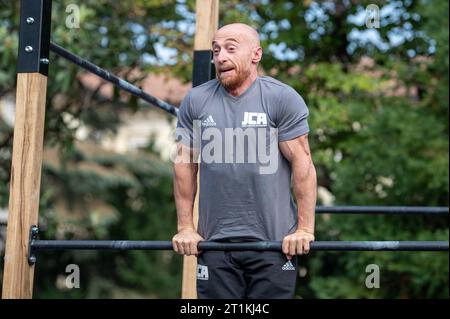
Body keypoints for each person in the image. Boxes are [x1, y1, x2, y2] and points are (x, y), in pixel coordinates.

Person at [173, 23, 317, 299]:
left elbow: (303, 163)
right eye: (216, 51)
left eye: (230, 48)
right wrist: (185, 228)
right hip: (215, 246)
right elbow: (183, 164)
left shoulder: (281, 98)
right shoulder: (195, 101)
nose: (220, 57)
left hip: (275, 245)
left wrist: (305, 229)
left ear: (256, 55)